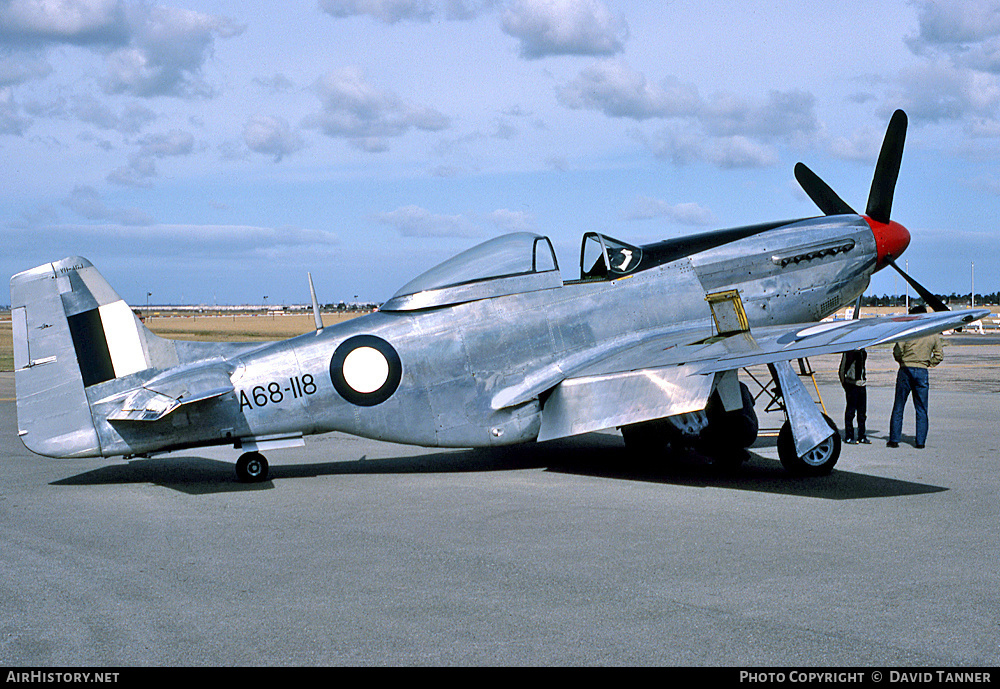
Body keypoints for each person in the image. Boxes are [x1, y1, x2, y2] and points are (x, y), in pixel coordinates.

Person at [887, 304, 944, 449]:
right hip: (922, 370)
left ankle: (894, 439)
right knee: (921, 408)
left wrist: (901, 360)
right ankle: (920, 442)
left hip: (906, 369)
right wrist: (928, 363)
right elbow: (939, 355)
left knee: (899, 406)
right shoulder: (933, 333)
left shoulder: (908, 330)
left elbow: (898, 350)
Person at [839, 348, 868, 443]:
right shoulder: (849, 352)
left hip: (862, 384)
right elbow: (842, 369)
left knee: (862, 412)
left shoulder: (863, 352)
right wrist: (845, 384)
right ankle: (849, 435)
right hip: (852, 384)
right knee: (851, 412)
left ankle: (862, 435)